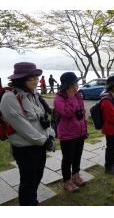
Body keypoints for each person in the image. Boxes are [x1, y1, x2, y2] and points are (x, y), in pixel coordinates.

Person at [0, 62, 56, 206]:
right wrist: (44, 141)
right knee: (27, 180)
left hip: (40, 144)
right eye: (31, 78)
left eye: (36, 77)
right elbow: (22, 126)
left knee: (37, 177)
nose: (36, 81)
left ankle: (33, 201)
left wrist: (50, 134)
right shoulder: (9, 98)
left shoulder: (34, 95)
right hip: (25, 149)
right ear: (20, 79)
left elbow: (43, 118)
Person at [54, 72, 88, 192]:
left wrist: (85, 129)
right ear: (67, 86)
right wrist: (71, 97)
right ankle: (67, 181)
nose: (76, 86)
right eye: (74, 84)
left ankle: (76, 175)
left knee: (77, 156)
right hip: (67, 134)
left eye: (76, 84)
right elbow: (67, 113)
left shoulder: (78, 95)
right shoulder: (59, 98)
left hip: (79, 132)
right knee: (68, 159)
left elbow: (82, 113)